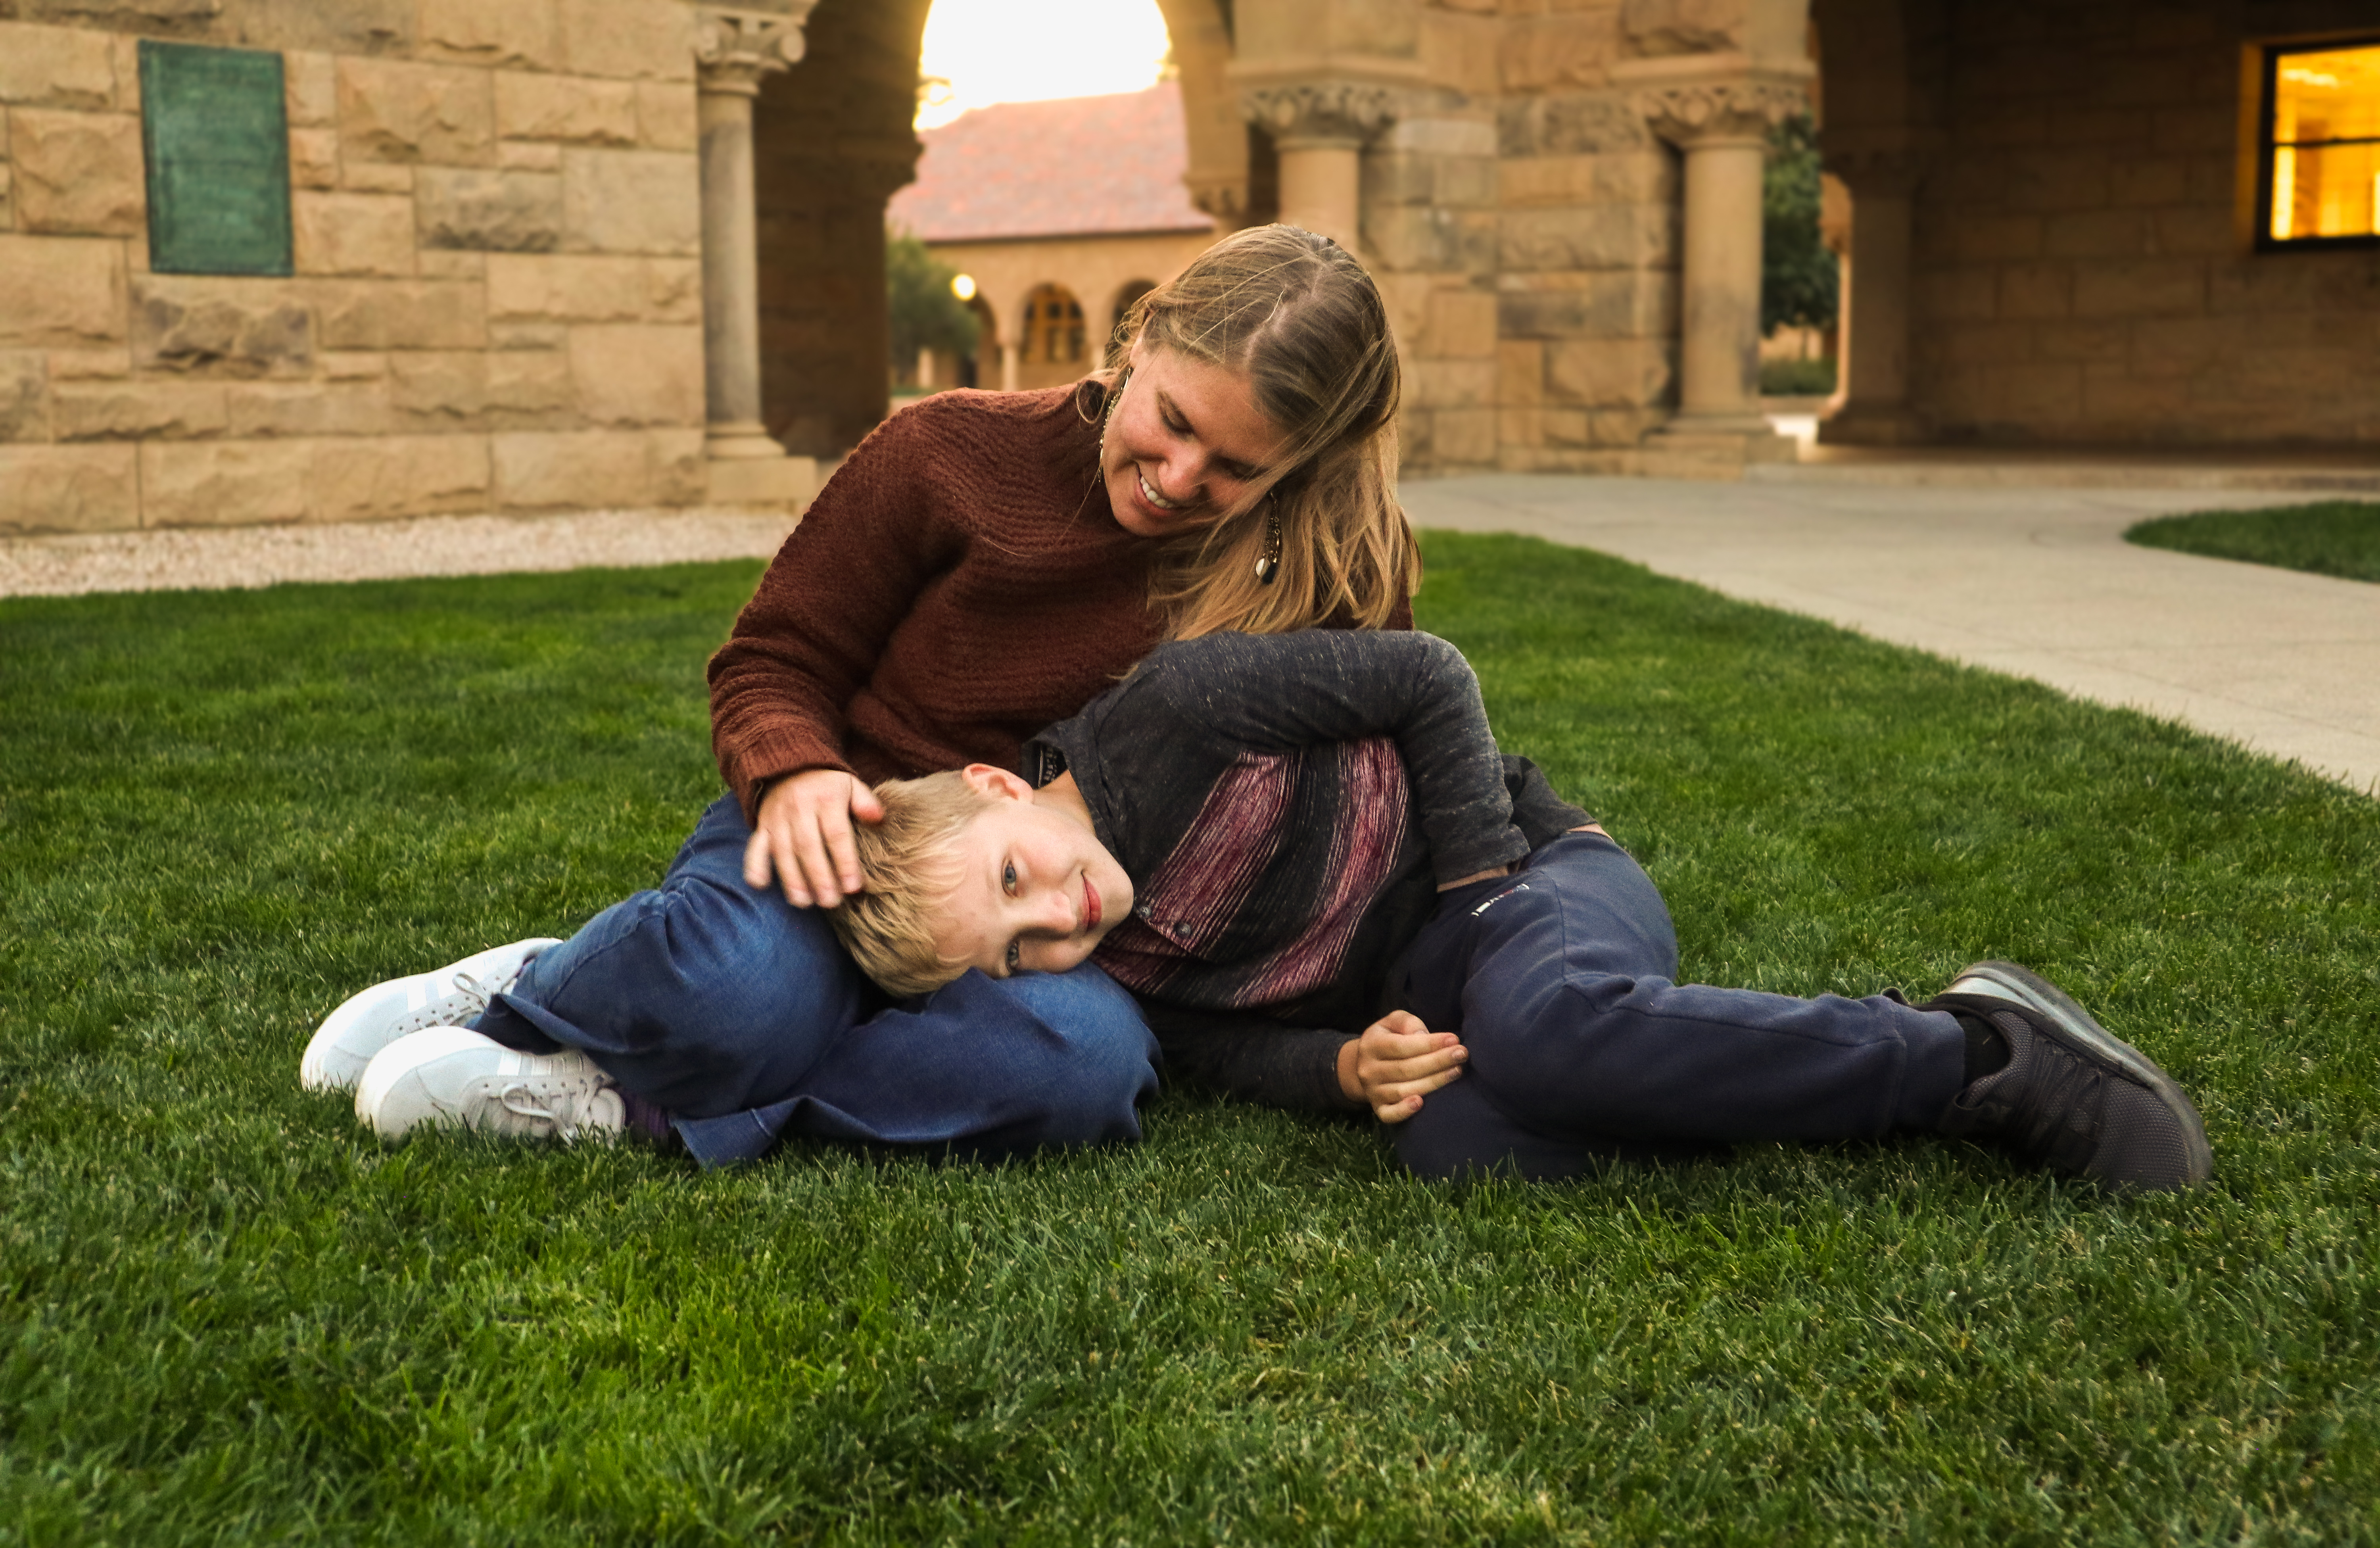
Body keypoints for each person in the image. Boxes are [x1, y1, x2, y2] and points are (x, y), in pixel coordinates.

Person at [305, 225, 1421, 1164]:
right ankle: (540, 989)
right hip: (855, 840)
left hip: (1050, 927)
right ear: (1140, 341)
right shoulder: (950, 451)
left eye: (1233, 470)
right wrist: (796, 774)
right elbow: (773, 656)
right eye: (1173, 423)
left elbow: (1351, 784)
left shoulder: (1323, 576)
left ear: (1296, 468)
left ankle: (640, 1100)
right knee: (747, 987)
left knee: (1083, 1070)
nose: (1180, 480)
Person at [818, 630, 2214, 1193]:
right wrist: (1344, 1067)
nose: (1056, 922)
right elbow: (1225, 1050)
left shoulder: (1177, 709)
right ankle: (1704, 1072)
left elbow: (1428, 676)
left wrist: (1484, 887)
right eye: (1022, 952)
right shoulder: (1119, 964)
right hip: (1446, 995)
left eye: (1016, 878)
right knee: (1461, 1143)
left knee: (1546, 1037)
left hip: (1536, 884)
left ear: (1005, 784)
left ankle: (1982, 1054)